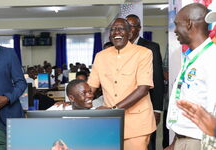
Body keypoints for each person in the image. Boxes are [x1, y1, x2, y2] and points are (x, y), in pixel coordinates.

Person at [88, 18, 156, 150]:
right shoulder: (100, 56)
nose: (116, 32)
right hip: (110, 123)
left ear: (130, 33)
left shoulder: (144, 53)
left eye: (121, 29)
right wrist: (71, 101)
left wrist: (114, 110)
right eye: (113, 29)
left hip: (137, 123)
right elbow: (91, 87)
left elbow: (143, 89)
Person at [166, 3, 216, 150]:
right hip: (184, 139)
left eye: (176, 25)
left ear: (188, 24)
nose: (175, 30)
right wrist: (176, 142)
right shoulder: (191, 58)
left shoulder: (211, 58)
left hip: (200, 142)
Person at [126, 14, 165, 150]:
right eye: (126, 26)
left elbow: (157, 80)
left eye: (132, 26)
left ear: (139, 29)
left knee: (148, 143)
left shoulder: (151, 47)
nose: (129, 30)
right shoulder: (119, 47)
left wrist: (157, 109)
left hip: (146, 106)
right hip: (124, 107)